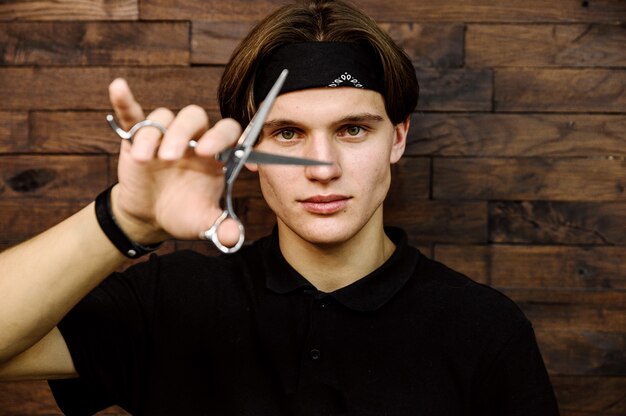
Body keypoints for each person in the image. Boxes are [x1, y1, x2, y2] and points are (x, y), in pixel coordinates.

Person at [0, 0, 560, 414]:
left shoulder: (484, 328)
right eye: (287, 133)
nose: (322, 167)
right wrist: (125, 220)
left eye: (353, 129)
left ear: (397, 138)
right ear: (250, 151)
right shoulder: (171, 300)